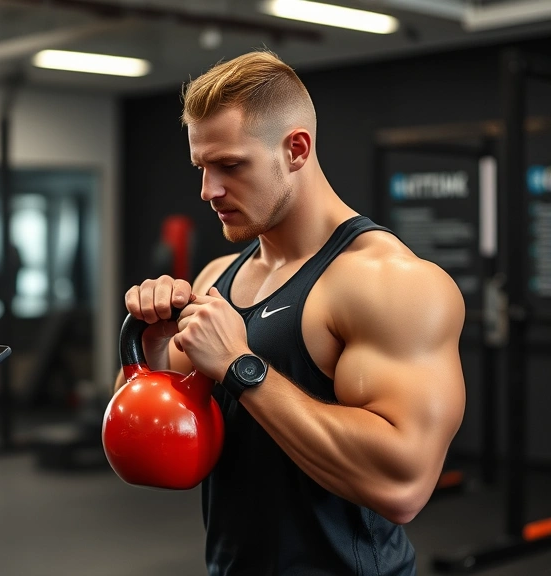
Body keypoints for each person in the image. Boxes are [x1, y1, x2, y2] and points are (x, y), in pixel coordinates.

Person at [115, 51, 466, 574]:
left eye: (231, 165)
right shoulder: (215, 278)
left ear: (296, 149)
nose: (208, 190)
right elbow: (156, 442)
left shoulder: (392, 283)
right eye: (202, 167)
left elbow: (403, 484)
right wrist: (152, 349)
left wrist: (240, 368)